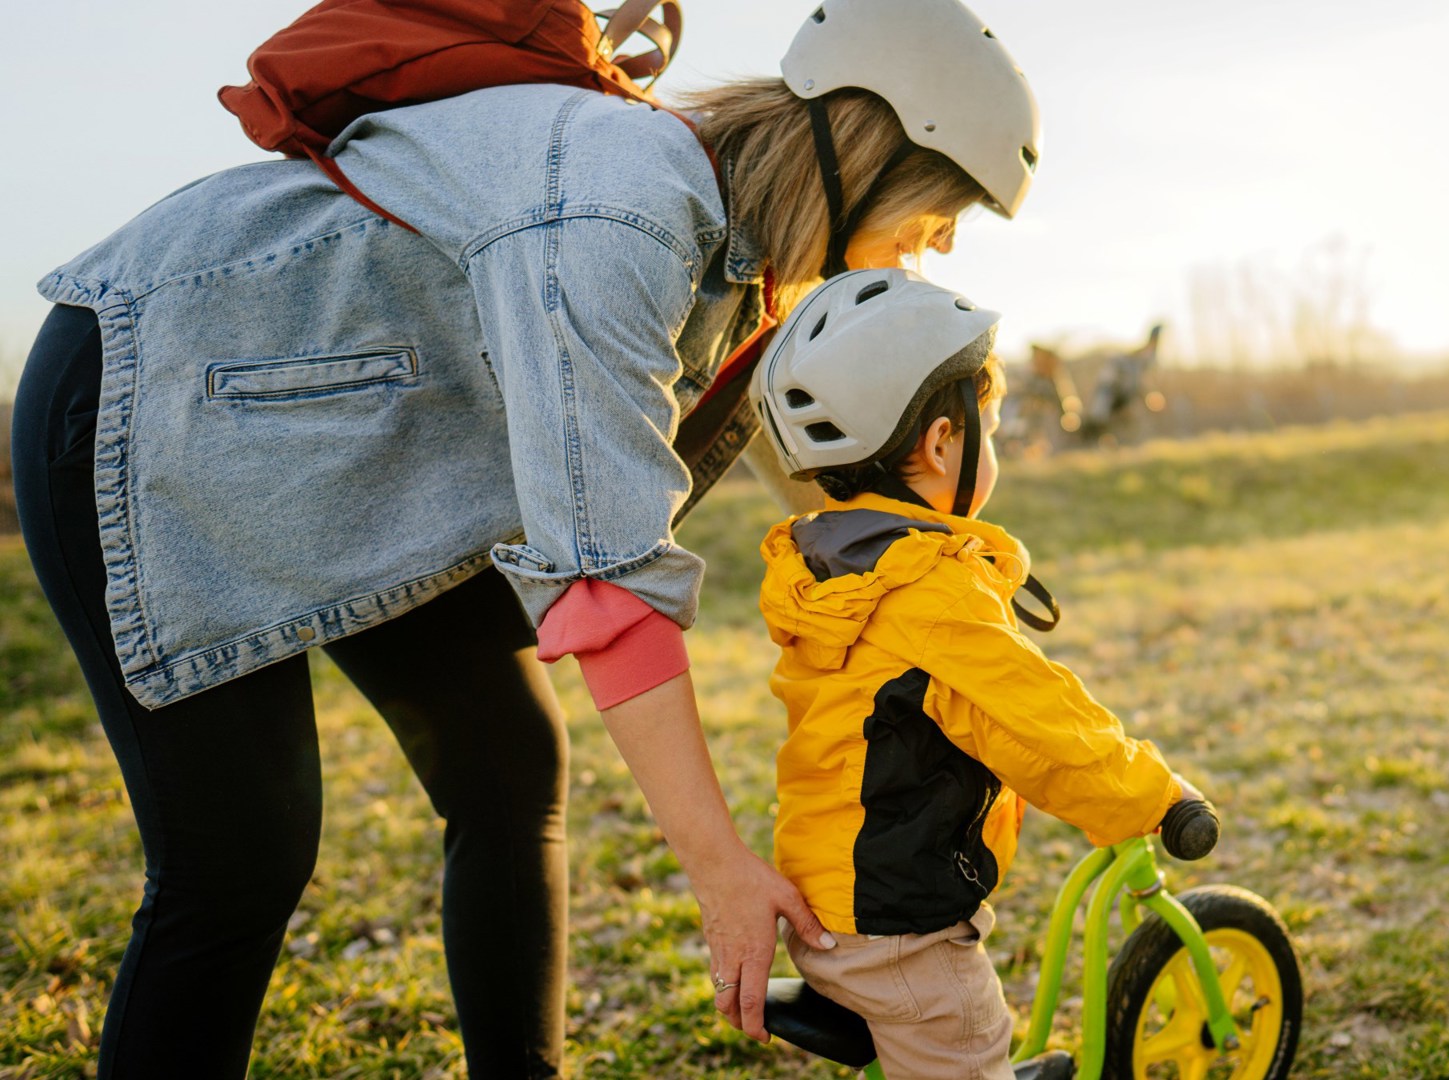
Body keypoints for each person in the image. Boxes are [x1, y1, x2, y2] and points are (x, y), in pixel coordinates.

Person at [7, 1, 1040, 1076]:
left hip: (347, 444)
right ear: (874, 153)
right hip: (148, 385)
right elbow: (607, 581)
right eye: (943, 207)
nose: (943, 241)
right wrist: (720, 869)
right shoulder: (624, 217)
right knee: (239, 858)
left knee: (508, 768)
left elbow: (825, 477)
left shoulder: (738, 254)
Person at [750, 269, 1204, 1079]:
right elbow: (1038, 718)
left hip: (839, 897)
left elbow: (976, 717)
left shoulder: (833, 561)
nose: (991, 446)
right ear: (940, 445)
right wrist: (1149, 794)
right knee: (967, 1042)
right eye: (987, 429)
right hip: (896, 934)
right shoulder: (932, 590)